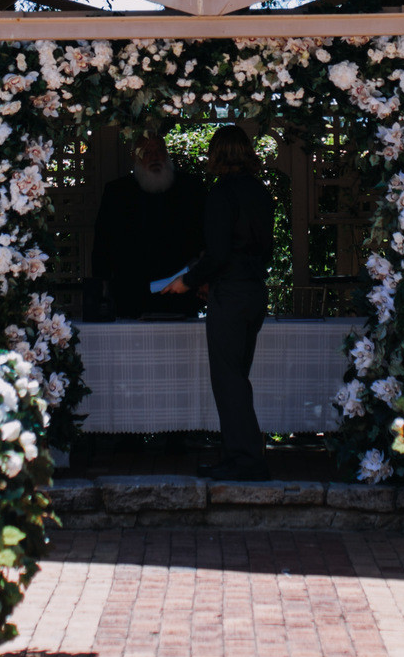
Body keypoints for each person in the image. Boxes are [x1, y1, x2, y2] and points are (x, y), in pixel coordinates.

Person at [190, 124, 275, 481]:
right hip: (254, 290)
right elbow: (265, 249)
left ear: (218, 154)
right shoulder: (260, 192)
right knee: (237, 376)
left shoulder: (221, 194)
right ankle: (234, 454)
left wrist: (189, 279)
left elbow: (219, 253)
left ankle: (245, 460)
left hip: (230, 292)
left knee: (229, 380)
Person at [88, 131, 202, 322]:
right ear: (134, 156)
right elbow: (103, 245)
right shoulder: (117, 193)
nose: (155, 157)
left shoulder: (190, 188)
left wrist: (201, 280)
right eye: (147, 152)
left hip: (180, 292)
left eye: (159, 150)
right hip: (131, 294)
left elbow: (203, 241)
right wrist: (102, 291)